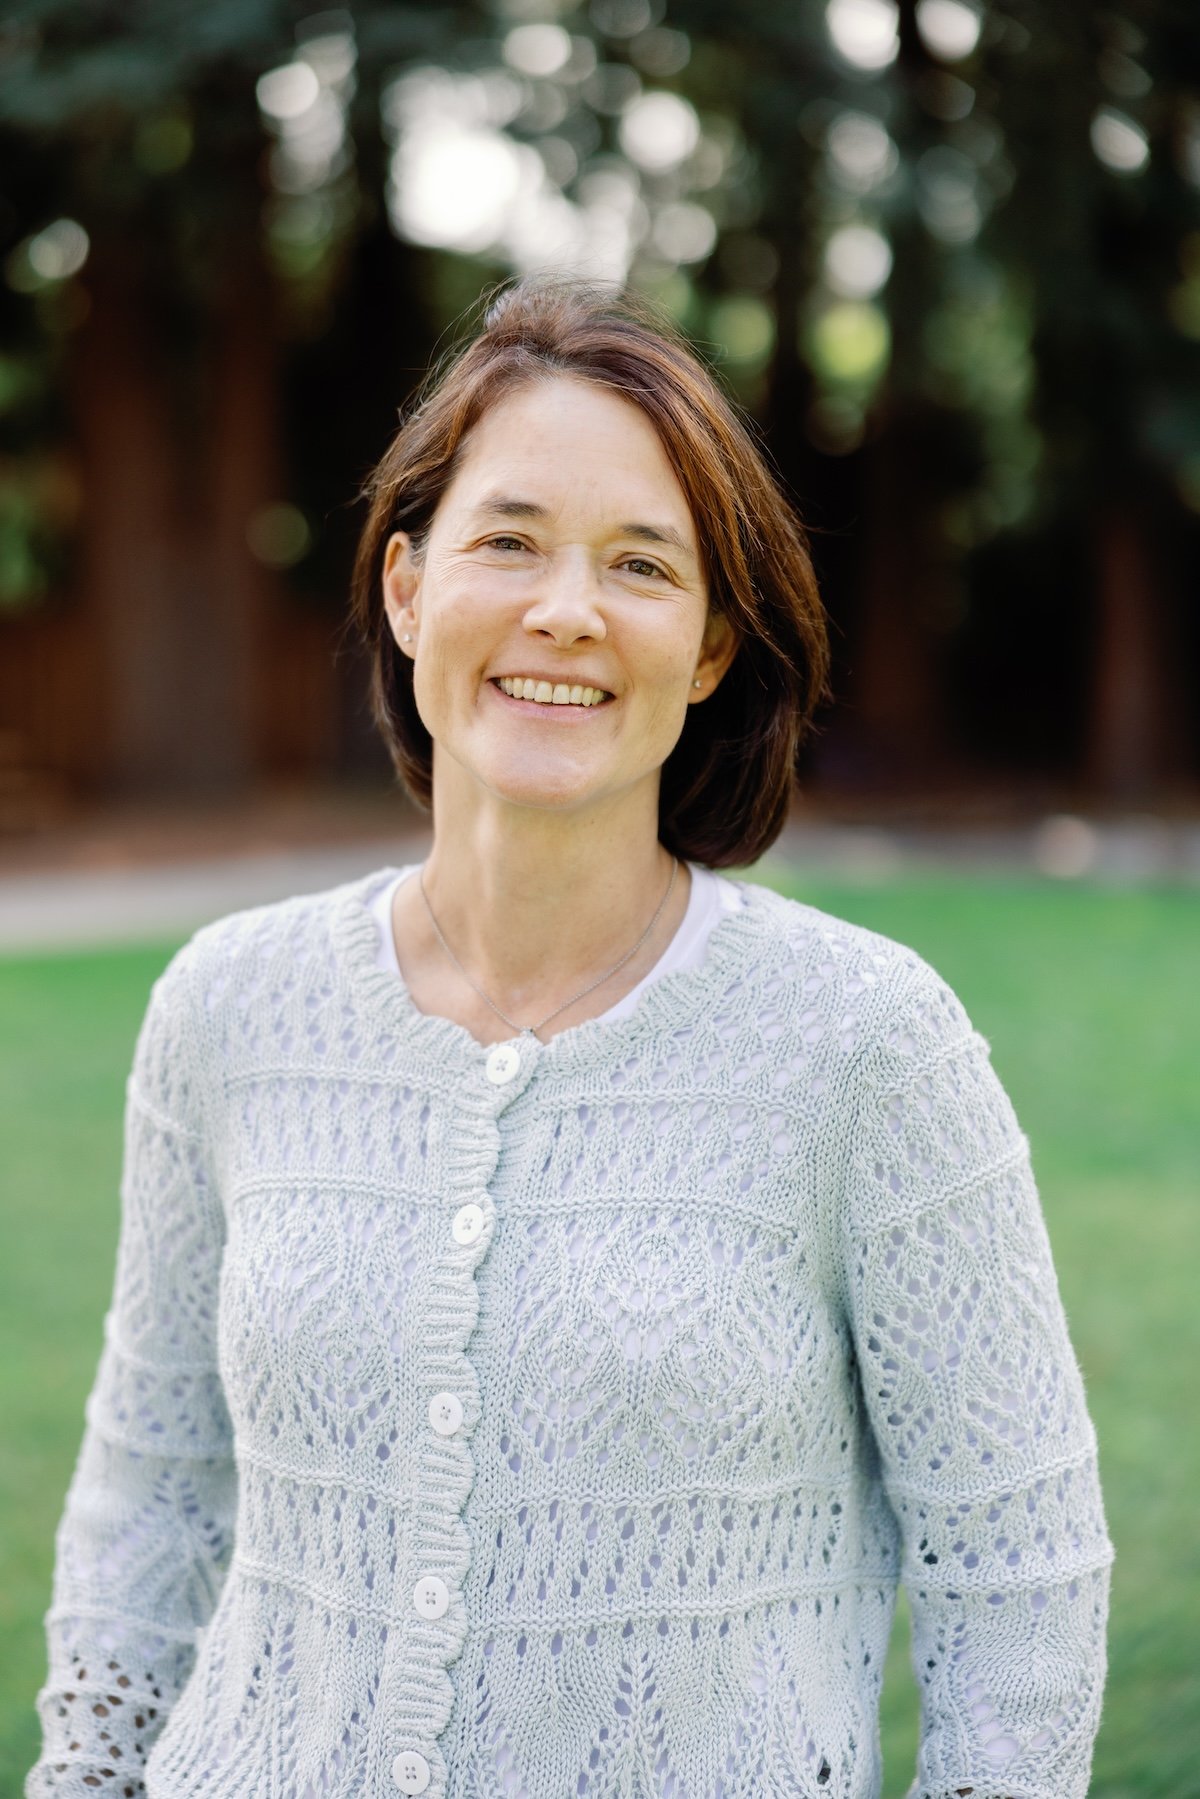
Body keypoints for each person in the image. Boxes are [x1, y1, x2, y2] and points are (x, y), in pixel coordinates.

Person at [28, 280, 1112, 1799]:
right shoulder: (227, 1006)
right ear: (406, 589)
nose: (566, 611)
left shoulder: (867, 1046)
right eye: (509, 540)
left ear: (715, 644)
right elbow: (151, 1491)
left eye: (641, 565)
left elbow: (1021, 1573)